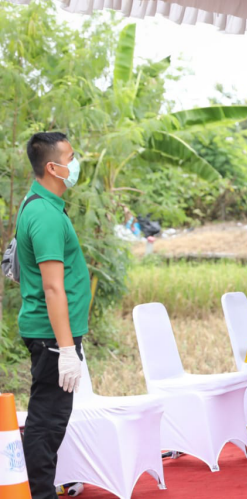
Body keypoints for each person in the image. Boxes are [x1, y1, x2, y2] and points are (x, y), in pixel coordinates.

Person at [16, 132, 89, 498]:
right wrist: (65, 350)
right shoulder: (44, 214)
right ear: (52, 167)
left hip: (53, 333)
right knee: (47, 420)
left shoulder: (44, 205)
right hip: (51, 335)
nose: (76, 163)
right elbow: (53, 287)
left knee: (49, 417)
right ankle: (37, 492)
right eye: (71, 157)